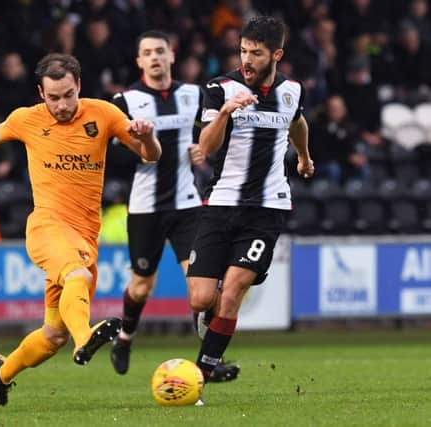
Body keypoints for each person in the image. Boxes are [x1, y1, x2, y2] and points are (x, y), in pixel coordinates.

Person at [0, 53, 162, 406]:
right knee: (78, 276)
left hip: (84, 233)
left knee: (54, 336)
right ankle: (86, 338)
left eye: (68, 95)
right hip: (46, 227)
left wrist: (147, 137)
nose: (62, 105)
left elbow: (151, 156)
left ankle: (3, 373)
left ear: (79, 86)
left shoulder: (104, 114)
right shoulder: (26, 120)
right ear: (41, 92)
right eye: (53, 97)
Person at [186, 16, 314, 404]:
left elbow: (297, 122)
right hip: (221, 202)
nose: (247, 59)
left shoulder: (292, 89)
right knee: (200, 299)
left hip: (266, 208)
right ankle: (211, 314)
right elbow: (205, 148)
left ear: (276, 54)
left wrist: (305, 157)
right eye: (243, 51)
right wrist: (226, 111)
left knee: (233, 293)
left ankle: (200, 376)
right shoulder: (218, 87)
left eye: (256, 53)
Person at [108, 30, 239, 382]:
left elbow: (215, 132)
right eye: (147, 52)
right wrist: (136, 147)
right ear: (139, 61)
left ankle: (208, 362)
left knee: (204, 286)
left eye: (159, 51)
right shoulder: (125, 101)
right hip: (145, 208)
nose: (154, 57)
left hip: (187, 206)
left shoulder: (193, 95)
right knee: (141, 287)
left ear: (172, 55)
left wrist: (204, 148)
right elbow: (111, 155)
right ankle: (125, 337)